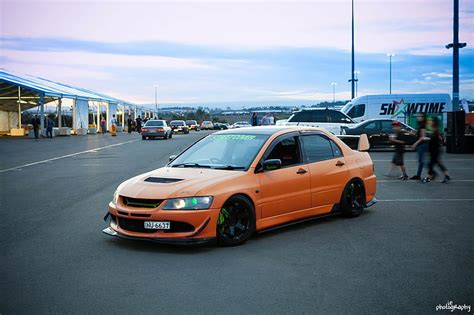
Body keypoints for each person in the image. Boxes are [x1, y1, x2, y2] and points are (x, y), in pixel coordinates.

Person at [423, 117, 451, 183]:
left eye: (431, 121)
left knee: (431, 164)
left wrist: (427, 139)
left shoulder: (436, 130)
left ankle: (429, 177)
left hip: (435, 150)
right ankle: (447, 176)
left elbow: (436, 140)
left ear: (434, 122)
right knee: (437, 164)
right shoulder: (434, 130)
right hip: (434, 150)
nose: (430, 122)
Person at [410, 113, 429, 180]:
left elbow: (423, 137)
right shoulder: (420, 125)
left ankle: (431, 172)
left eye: (419, 116)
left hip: (422, 145)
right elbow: (419, 135)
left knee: (422, 161)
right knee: (421, 161)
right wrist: (414, 133)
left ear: (423, 117)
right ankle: (418, 175)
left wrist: (415, 144)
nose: (418, 117)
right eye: (417, 116)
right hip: (421, 145)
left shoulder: (423, 126)